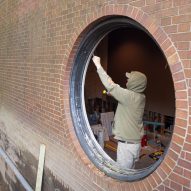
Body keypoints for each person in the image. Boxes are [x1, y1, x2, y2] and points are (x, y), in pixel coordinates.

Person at [92, 55, 147, 169]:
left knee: (122, 176)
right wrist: (113, 92)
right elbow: (116, 88)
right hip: (135, 144)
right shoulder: (140, 97)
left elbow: (110, 85)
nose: (127, 80)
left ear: (135, 83)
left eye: (129, 79)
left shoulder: (128, 97)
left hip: (127, 147)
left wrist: (98, 65)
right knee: (130, 172)